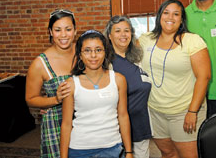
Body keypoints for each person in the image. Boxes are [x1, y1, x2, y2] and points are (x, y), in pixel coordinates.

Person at [138, 0, 211, 158]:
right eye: (166, 12)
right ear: (159, 16)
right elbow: (122, 51)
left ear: (181, 19)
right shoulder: (145, 39)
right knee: (168, 153)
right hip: (155, 110)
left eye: (176, 14)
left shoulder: (192, 41)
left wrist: (192, 111)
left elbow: (204, 77)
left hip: (184, 110)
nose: (170, 17)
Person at [60, 30, 133, 158]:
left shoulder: (119, 79)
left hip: (113, 147)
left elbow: (123, 116)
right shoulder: (71, 84)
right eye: (87, 50)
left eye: (98, 50)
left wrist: (129, 151)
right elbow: (66, 123)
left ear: (105, 53)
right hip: (79, 149)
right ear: (80, 55)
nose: (93, 55)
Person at [25, 9, 76, 158]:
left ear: (75, 30)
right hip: (56, 124)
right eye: (58, 30)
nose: (64, 35)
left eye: (68, 29)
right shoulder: (40, 64)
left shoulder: (84, 53)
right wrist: (55, 100)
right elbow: (30, 99)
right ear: (50, 32)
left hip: (84, 119)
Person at [104, 16, 152, 158]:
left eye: (127, 30)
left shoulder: (138, 58)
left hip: (141, 125)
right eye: (117, 31)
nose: (123, 34)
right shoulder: (106, 63)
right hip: (117, 130)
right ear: (109, 36)